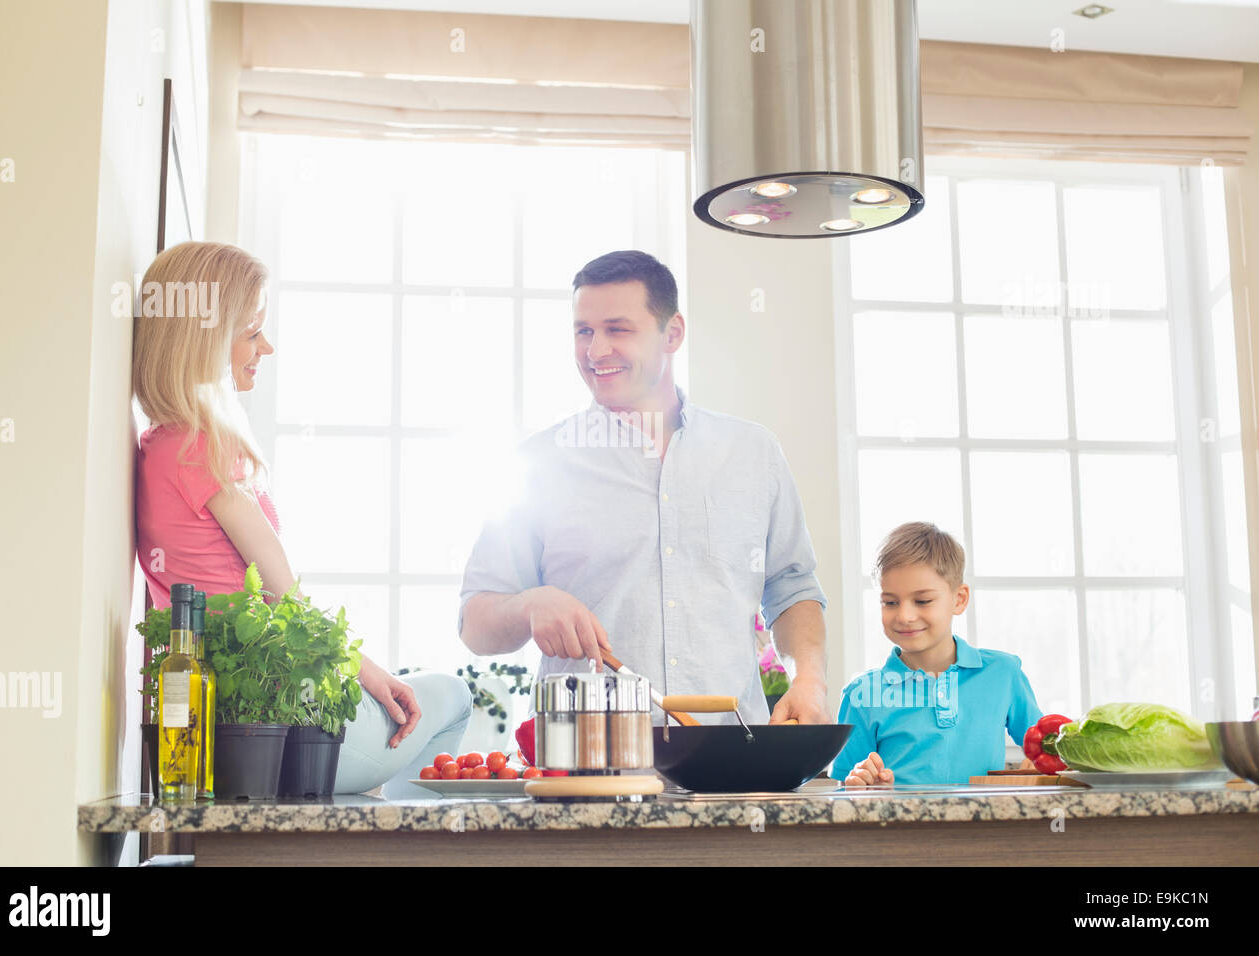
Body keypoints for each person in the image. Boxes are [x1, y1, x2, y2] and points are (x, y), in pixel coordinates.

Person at [132, 241, 470, 797]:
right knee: (451, 697)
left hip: (223, 721)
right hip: (288, 715)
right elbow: (283, 594)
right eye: (251, 331)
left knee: (375, 778)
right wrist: (368, 672)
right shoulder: (204, 446)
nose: (266, 346)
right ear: (203, 340)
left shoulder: (159, 446)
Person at [458, 250, 830, 725]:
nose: (595, 351)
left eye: (617, 329)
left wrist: (808, 679)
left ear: (672, 333)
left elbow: (792, 585)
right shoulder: (539, 464)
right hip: (585, 767)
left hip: (730, 762)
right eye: (583, 331)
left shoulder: (753, 453)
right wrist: (530, 605)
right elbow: (476, 623)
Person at [831, 522, 1042, 786]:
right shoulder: (861, 694)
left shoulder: (1003, 673)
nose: (905, 616)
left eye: (922, 601)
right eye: (890, 602)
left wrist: (1041, 765)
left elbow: (1049, 749)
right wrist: (861, 782)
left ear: (959, 599)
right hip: (897, 827)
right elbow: (844, 788)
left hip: (987, 827)